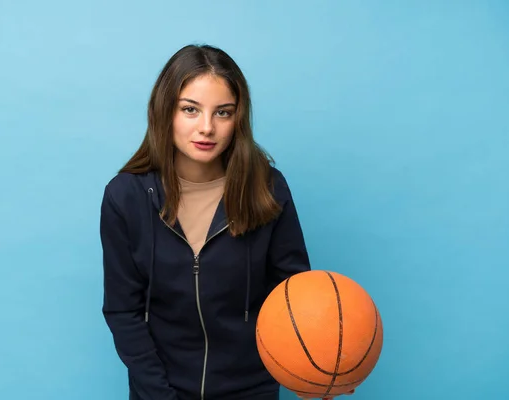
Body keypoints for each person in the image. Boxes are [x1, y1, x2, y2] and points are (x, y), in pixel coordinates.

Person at [99, 44, 345, 400]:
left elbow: (293, 297)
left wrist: (314, 372)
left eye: (223, 113)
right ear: (165, 111)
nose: (206, 128)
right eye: (190, 110)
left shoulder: (268, 188)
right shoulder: (125, 197)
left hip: (251, 390)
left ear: (238, 119)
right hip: (159, 392)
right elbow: (123, 310)